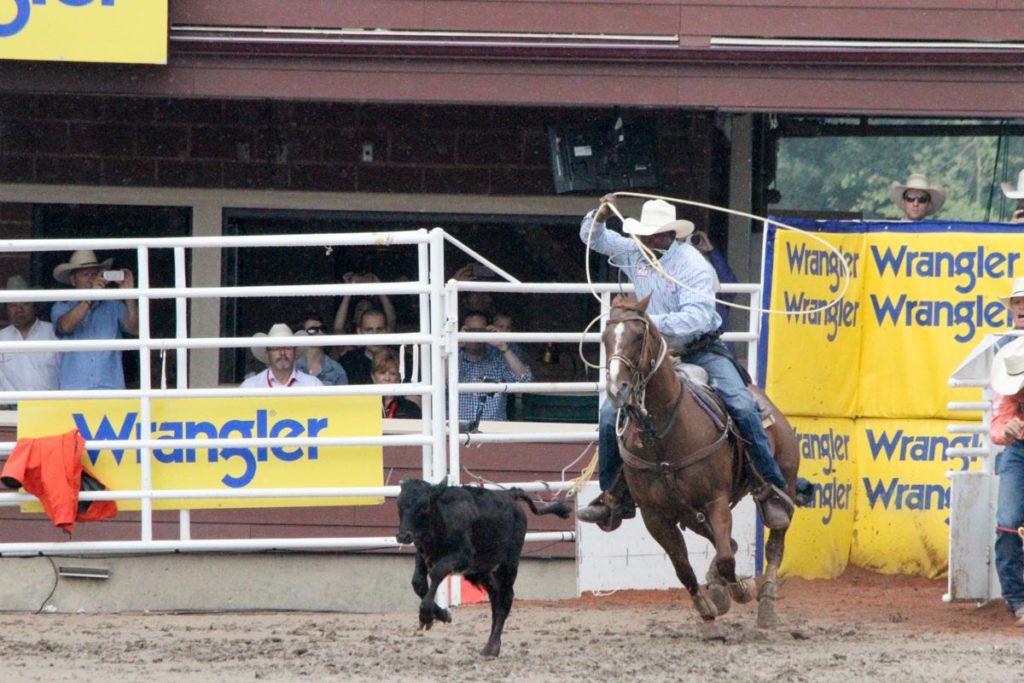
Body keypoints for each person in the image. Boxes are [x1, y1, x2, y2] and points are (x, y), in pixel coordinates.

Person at [576, 195, 794, 530]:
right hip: (654, 353)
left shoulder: (693, 265)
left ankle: (770, 487)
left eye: (654, 234)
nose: (648, 239)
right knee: (609, 412)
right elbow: (596, 239)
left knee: (742, 404)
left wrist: (647, 323)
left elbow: (697, 317)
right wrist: (600, 216)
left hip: (701, 348)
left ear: (669, 235)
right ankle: (613, 496)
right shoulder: (635, 251)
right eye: (645, 233)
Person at [51, 249, 138, 390]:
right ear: (73, 280)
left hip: (110, 387)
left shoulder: (114, 305)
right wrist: (91, 297)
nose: (91, 279)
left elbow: (135, 329)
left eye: (94, 274)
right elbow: (66, 327)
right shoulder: (62, 306)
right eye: (85, 275)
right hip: (74, 388)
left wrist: (129, 295)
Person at [987, 336, 1024, 627]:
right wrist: (1007, 433)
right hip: (1018, 451)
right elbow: (998, 424)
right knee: (1008, 520)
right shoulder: (1011, 393)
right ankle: (1017, 600)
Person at [457, 309, 533, 422]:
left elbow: (525, 380)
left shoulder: (498, 359)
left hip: (494, 433)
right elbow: (439, 382)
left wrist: (503, 346)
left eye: (480, 331)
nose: (475, 337)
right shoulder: (453, 359)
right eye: (471, 331)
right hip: (458, 433)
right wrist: (456, 345)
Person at [0, 275, 60, 400]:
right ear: (6, 310)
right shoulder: (2, 338)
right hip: (11, 409)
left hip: (50, 407)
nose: (19, 310)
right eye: (12, 305)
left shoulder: (53, 333)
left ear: (34, 305)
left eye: (25, 303)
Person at [240, 323, 322, 389]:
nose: (282, 353)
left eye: (287, 347)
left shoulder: (313, 385)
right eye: (276, 348)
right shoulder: (250, 387)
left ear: (295, 351)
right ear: (267, 353)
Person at [338, 307, 391, 384]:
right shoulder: (348, 362)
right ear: (359, 332)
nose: (374, 335)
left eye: (379, 329)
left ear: (387, 331)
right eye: (369, 330)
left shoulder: (402, 359)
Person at [294, 314, 348, 386]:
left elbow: (344, 397)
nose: (320, 332)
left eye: (323, 329)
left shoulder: (336, 369)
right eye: (312, 330)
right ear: (301, 334)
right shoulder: (292, 368)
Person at [371, 348, 421, 419]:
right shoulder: (364, 405)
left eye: (393, 374)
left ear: (399, 378)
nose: (387, 378)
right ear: (373, 376)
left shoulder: (410, 408)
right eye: (382, 373)